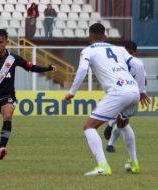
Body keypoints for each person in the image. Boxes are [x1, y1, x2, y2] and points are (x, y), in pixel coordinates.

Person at [64, 23, 150, 176]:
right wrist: (142, 90)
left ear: (89, 38)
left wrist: (72, 92)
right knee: (122, 124)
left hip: (118, 91)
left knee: (89, 127)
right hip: (133, 90)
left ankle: (103, 166)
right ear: (105, 36)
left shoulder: (88, 50)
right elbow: (138, 64)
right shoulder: (119, 49)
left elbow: (83, 69)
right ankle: (134, 162)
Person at [0, 29, 56, 160]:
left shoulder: (13, 58)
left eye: (1, 42)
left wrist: (47, 68)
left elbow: (31, 67)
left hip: (8, 96)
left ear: (6, 42)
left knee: (7, 114)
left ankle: (2, 148)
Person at [104, 41, 148, 153]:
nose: (130, 55)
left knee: (122, 121)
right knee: (122, 118)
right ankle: (111, 128)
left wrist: (142, 91)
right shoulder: (121, 64)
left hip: (132, 94)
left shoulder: (138, 65)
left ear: (135, 52)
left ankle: (110, 141)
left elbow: (143, 81)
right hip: (121, 93)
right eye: (128, 52)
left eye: (131, 53)